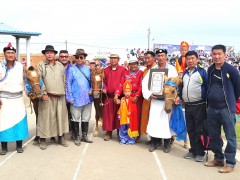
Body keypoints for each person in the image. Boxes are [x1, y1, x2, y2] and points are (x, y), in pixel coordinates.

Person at [204, 45, 240, 173]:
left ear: (225, 55)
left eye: (219, 54)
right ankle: (218, 158)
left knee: (230, 137)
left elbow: (237, 89)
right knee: (213, 135)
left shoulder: (232, 70)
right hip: (212, 109)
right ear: (211, 55)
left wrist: (231, 102)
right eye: (214, 54)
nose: (216, 56)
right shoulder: (210, 70)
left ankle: (230, 163)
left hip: (226, 109)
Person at [142, 49, 178, 153]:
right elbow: (144, 83)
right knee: (154, 121)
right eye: (158, 56)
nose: (160, 58)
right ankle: (154, 142)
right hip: (155, 100)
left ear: (166, 57)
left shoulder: (171, 69)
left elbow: (176, 83)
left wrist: (173, 96)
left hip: (167, 101)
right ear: (156, 57)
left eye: (162, 55)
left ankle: (167, 143)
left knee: (166, 122)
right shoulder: (152, 70)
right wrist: (149, 94)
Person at [37, 45, 69, 150]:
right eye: (47, 53)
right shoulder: (41, 65)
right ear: (45, 54)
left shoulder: (60, 65)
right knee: (45, 118)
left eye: (51, 52)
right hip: (47, 96)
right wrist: (42, 93)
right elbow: (39, 80)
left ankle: (61, 137)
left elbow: (64, 80)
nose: (49, 54)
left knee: (60, 118)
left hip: (60, 96)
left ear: (55, 54)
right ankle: (42, 139)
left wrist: (64, 92)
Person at [0, 43, 29, 155]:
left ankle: (19, 145)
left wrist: (30, 92)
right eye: (8, 52)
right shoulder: (0, 66)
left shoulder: (20, 67)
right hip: (3, 99)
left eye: (12, 53)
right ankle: (4, 147)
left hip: (18, 98)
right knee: (3, 123)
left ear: (15, 54)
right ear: (4, 54)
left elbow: (26, 81)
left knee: (19, 121)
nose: (10, 55)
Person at [181, 51, 208, 162]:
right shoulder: (185, 72)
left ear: (197, 59)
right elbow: (182, 87)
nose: (190, 61)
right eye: (188, 59)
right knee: (191, 129)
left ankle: (200, 152)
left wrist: (207, 104)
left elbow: (207, 87)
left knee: (199, 130)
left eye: (192, 58)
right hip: (188, 105)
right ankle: (193, 150)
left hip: (199, 105)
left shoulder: (202, 72)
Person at [66, 49, 93, 145]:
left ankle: (84, 136)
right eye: (77, 57)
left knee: (86, 118)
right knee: (75, 118)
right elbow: (68, 84)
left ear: (85, 58)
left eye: (81, 57)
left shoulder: (89, 69)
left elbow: (95, 81)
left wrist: (92, 89)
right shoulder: (71, 69)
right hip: (76, 99)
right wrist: (70, 98)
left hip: (87, 98)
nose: (79, 59)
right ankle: (76, 136)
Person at [114, 55, 143, 142]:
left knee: (136, 117)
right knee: (126, 117)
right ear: (129, 65)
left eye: (135, 64)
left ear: (137, 64)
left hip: (136, 99)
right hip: (126, 99)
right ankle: (125, 135)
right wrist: (116, 94)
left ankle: (137, 135)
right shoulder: (125, 73)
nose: (133, 66)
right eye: (131, 64)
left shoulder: (141, 73)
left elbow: (141, 86)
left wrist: (137, 96)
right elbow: (120, 84)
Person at [102, 54, 127, 141]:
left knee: (119, 115)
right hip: (109, 97)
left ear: (118, 60)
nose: (113, 60)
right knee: (108, 115)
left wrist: (118, 94)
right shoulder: (105, 70)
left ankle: (120, 132)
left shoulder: (123, 69)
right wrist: (104, 88)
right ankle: (108, 132)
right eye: (112, 58)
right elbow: (103, 82)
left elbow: (123, 82)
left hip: (119, 97)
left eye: (115, 58)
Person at [140, 51, 157, 137]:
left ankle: (156, 137)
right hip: (147, 97)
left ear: (154, 58)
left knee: (155, 118)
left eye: (148, 58)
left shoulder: (158, 68)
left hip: (157, 97)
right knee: (147, 116)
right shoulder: (145, 70)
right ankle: (149, 136)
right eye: (145, 58)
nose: (147, 60)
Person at [117, 80, 139, 144]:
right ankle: (123, 139)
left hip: (130, 118)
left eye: (129, 92)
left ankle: (131, 139)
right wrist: (119, 114)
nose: (127, 93)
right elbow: (120, 108)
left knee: (130, 128)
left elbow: (134, 109)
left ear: (131, 92)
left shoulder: (132, 99)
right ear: (123, 92)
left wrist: (131, 112)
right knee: (123, 129)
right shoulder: (122, 99)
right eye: (125, 92)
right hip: (123, 117)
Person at [58, 50, 74, 138]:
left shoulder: (73, 68)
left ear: (68, 57)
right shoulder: (55, 67)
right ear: (59, 57)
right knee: (59, 115)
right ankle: (59, 134)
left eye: (66, 56)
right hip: (59, 95)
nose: (64, 58)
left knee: (71, 114)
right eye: (62, 56)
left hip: (70, 95)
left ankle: (72, 132)